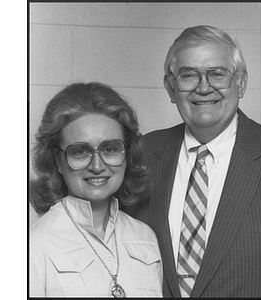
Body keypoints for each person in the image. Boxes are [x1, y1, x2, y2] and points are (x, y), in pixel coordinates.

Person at [122, 25, 261, 298]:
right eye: (188, 75)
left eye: (218, 74)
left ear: (241, 83)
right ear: (171, 88)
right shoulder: (142, 153)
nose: (204, 87)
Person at [29, 82, 163, 297]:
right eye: (80, 151)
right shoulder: (34, 246)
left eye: (110, 149)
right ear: (58, 160)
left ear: (127, 154)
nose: (97, 166)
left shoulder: (144, 236)